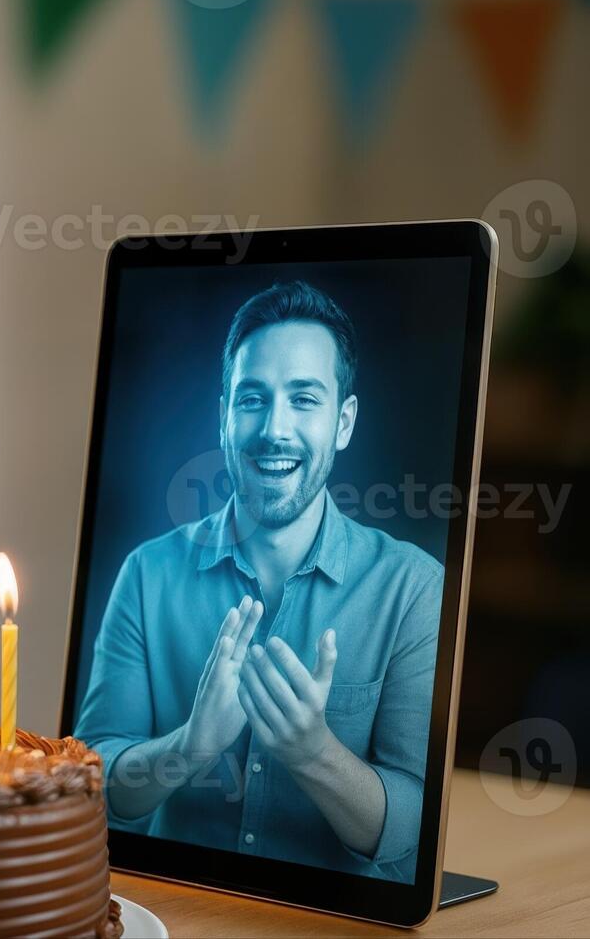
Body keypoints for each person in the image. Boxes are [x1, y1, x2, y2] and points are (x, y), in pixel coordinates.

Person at [75, 281, 444, 882]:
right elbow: (91, 785)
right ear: (223, 417)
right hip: (179, 913)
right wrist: (189, 747)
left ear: (343, 422)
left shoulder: (415, 590)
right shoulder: (146, 574)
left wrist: (313, 752)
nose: (275, 428)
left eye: (304, 399)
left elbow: (413, 832)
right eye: (252, 399)